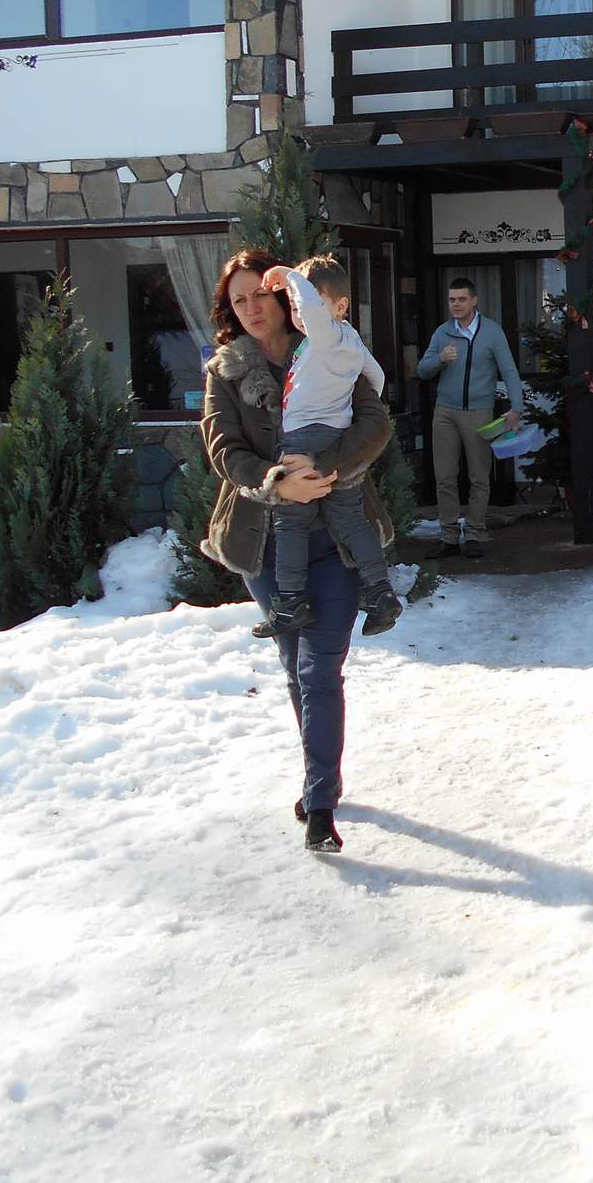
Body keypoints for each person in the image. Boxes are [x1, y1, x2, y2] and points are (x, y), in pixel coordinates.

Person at [200, 248, 395, 854]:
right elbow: (223, 448)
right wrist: (276, 481)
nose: (251, 308)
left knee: (319, 669)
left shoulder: (328, 346)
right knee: (294, 666)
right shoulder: (225, 372)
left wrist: (322, 468)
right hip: (265, 542)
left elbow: (375, 425)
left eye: (259, 294)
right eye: (238, 301)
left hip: (334, 539)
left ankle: (321, 804)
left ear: (284, 295)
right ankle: (320, 777)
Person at [255, 257, 400, 638]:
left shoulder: (327, 334)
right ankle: (381, 592)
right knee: (349, 520)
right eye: (294, 305)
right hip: (336, 435)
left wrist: (290, 276)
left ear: (339, 306)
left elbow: (315, 314)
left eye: (307, 303)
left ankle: (289, 602)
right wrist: (346, 404)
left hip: (305, 436)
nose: (301, 312)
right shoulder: (348, 340)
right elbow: (376, 376)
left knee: (290, 522)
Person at [416, 277, 524, 560]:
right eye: (452, 300)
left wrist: (517, 407)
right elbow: (422, 370)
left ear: (474, 300)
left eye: (462, 299)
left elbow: (509, 371)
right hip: (445, 412)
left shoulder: (492, 332)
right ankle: (449, 536)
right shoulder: (442, 333)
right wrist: (440, 359)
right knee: (444, 477)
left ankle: (474, 532)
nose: (456, 304)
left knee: (479, 476)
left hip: (479, 413)